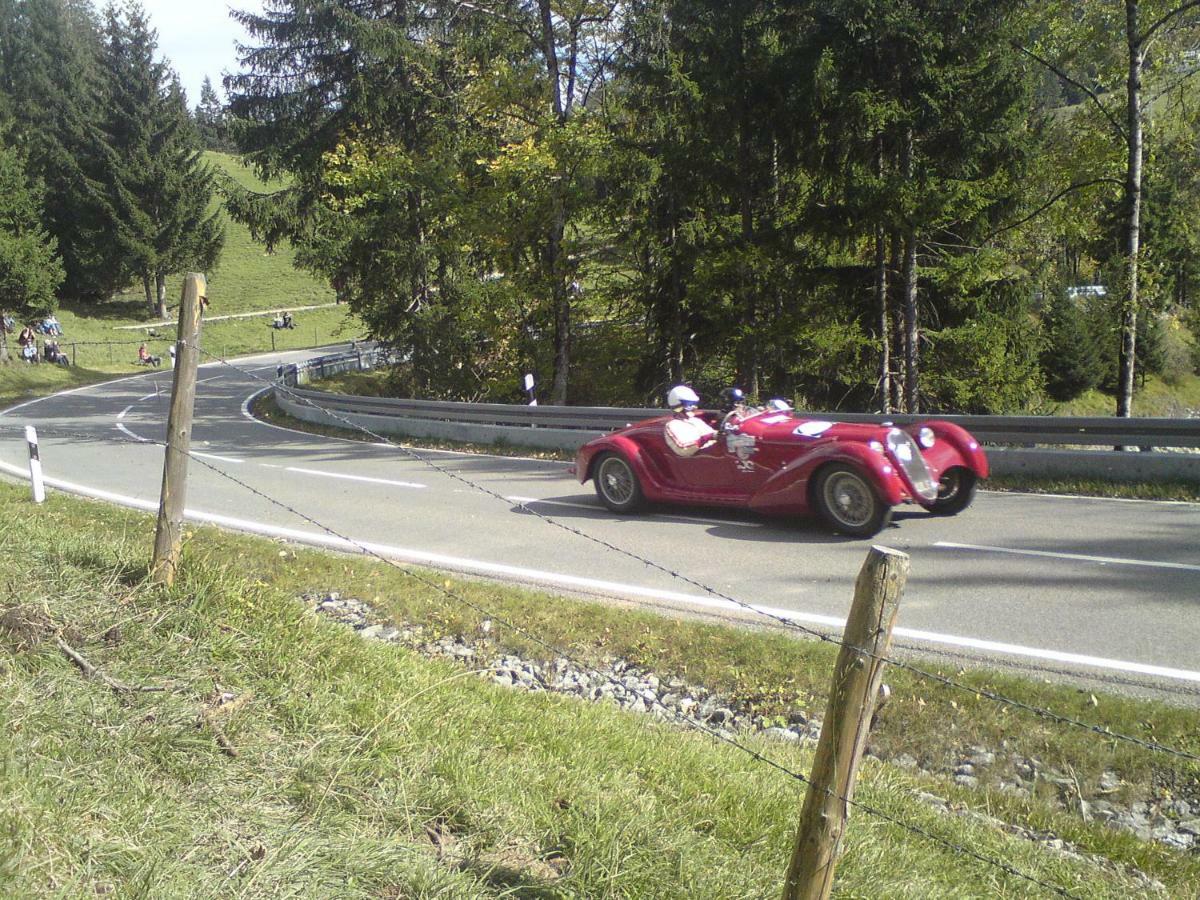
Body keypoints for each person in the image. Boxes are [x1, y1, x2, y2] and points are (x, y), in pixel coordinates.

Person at [663, 385, 718, 457]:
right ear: (680, 405)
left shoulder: (696, 421)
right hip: (699, 463)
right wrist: (708, 437)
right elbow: (683, 449)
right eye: (691, 405)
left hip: (715, 455)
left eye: (695, 404)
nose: (695, 407)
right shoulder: (673, 425)